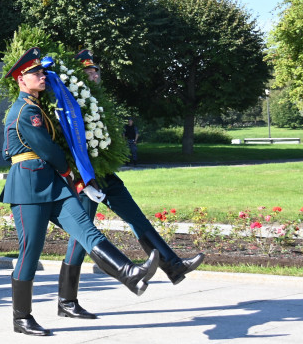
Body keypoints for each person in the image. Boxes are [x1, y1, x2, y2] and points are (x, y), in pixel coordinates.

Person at [1, 47, 159, 336]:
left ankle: (130, 274)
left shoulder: (35, 108)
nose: (41, 75)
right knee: (31, 251)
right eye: (34, 73)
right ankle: (21, 317)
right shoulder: (24, 111)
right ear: (20, 81)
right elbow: (47, 149)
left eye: (41, 71)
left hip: (52, 186)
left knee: (86, 230)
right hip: (29, 189)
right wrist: (72, 172)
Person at [55, 50, 203, 320]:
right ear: (77, 77)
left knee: (136, 217)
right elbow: (67, 146)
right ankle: (66, 301)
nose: (95, 75)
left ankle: (173, 265)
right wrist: (80, 179)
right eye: (89, 72)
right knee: (82, 235)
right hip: (84, 180)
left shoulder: (96, 102)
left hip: (105, 174)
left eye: (96, 71)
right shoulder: (68, 103)